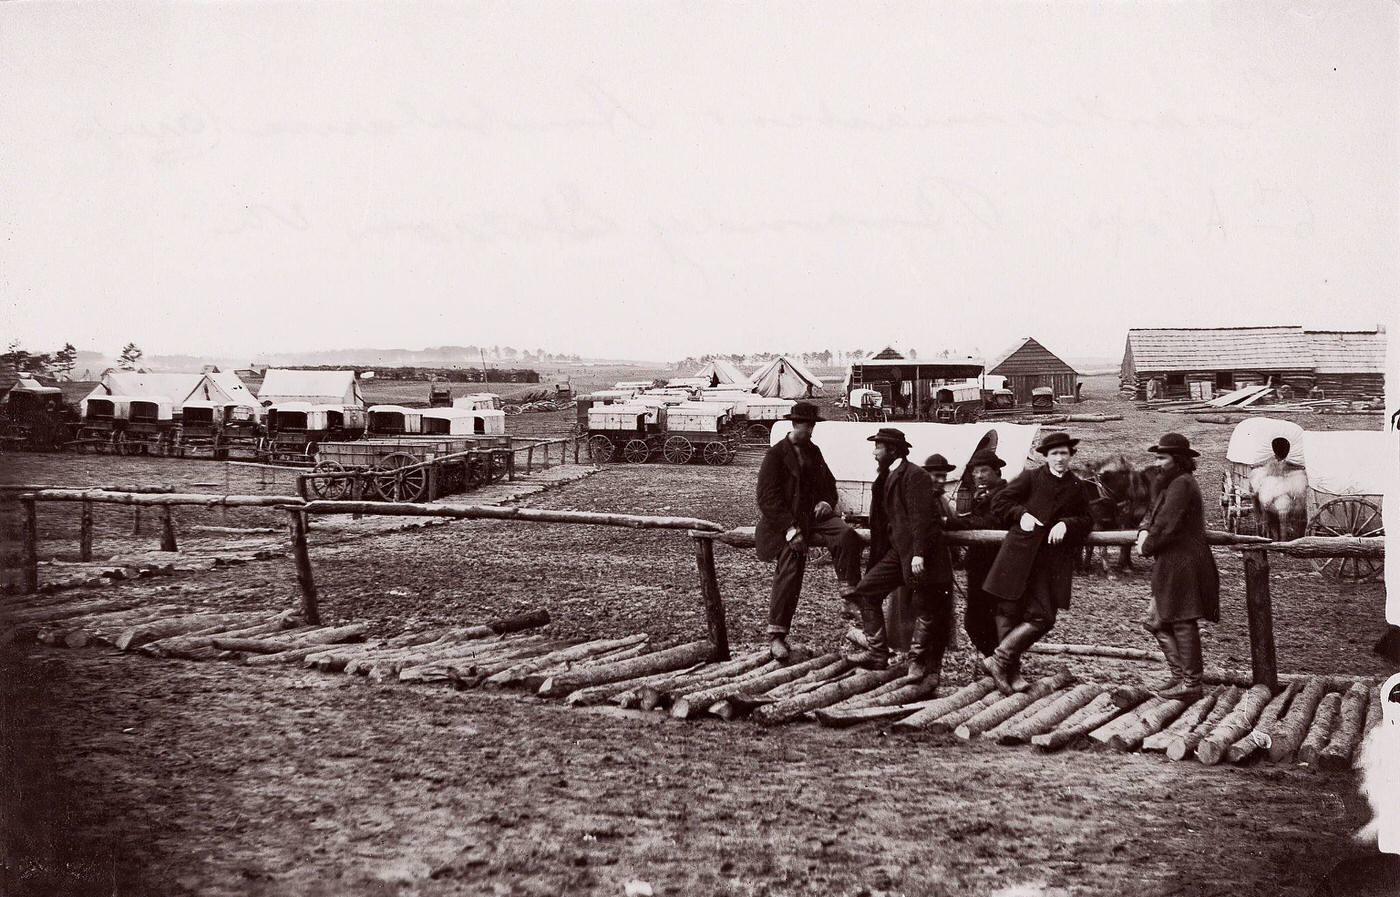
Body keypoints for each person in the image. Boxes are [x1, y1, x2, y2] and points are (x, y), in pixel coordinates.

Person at [984, 432, 1094, 694]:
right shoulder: (1031, 478)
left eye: (1064, 453)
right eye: (1054, 454)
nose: (1059, 458)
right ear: (1046, 457)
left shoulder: (1077, 487)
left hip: (1049, 563)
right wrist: (1020, 514)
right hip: (1018, 554)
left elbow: (1088, 519)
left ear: (1070, 456)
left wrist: (1067, 524)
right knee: (1009, 612)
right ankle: (1011, 673)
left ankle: (998, 660)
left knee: (1044, 616)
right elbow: (1000, 501)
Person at [755, 401, 864, 661]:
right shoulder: (776, 455)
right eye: (806, 426)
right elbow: (767, 499)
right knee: (790, 570)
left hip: (814, 518)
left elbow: (829, 484)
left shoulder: (814, 451)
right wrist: (791, 530)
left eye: (813, 426)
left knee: (847, 535)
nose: (810, 430)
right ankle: (777, 636)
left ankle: (849, 594)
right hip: (786, 523)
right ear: (795, 425)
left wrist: (827, 501)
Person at [845, 429, 951, 683]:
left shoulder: (915, 476)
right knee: (866, 592)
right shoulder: (886, 475)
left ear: (892, 450)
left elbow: (920, 518)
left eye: (878, 447)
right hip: (897, 552)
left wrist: (919, 554)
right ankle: (877, 653)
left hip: (918, 554)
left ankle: (917, 660)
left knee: (924, 605)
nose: (874, 452)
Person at [1135, 433, 1219, 701]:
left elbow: (1168, 524)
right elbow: (1152, 515)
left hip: (1184, 562)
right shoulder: (1167, 484)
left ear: (1178, 460)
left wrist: (1146, 546)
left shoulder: (1182, 484)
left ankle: (1192, 683)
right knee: (1155, 620)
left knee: (1181, 620)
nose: (1157, 463)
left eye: (1162, 458)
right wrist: (1142, 531)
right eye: (1156, 457)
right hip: (1171, 562)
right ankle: (1180, 675)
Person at [942, 448, 1008, 663]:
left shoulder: (1005, 494)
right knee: (978, 619)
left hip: (996, 564)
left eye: (984, 471)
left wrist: (949, 522)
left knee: (986, 618)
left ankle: (997, 660)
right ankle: (994, 660)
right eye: (975, 472)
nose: (978, 476)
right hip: (980, 563)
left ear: (996, 472)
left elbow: (989, 522)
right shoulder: (983, 494)